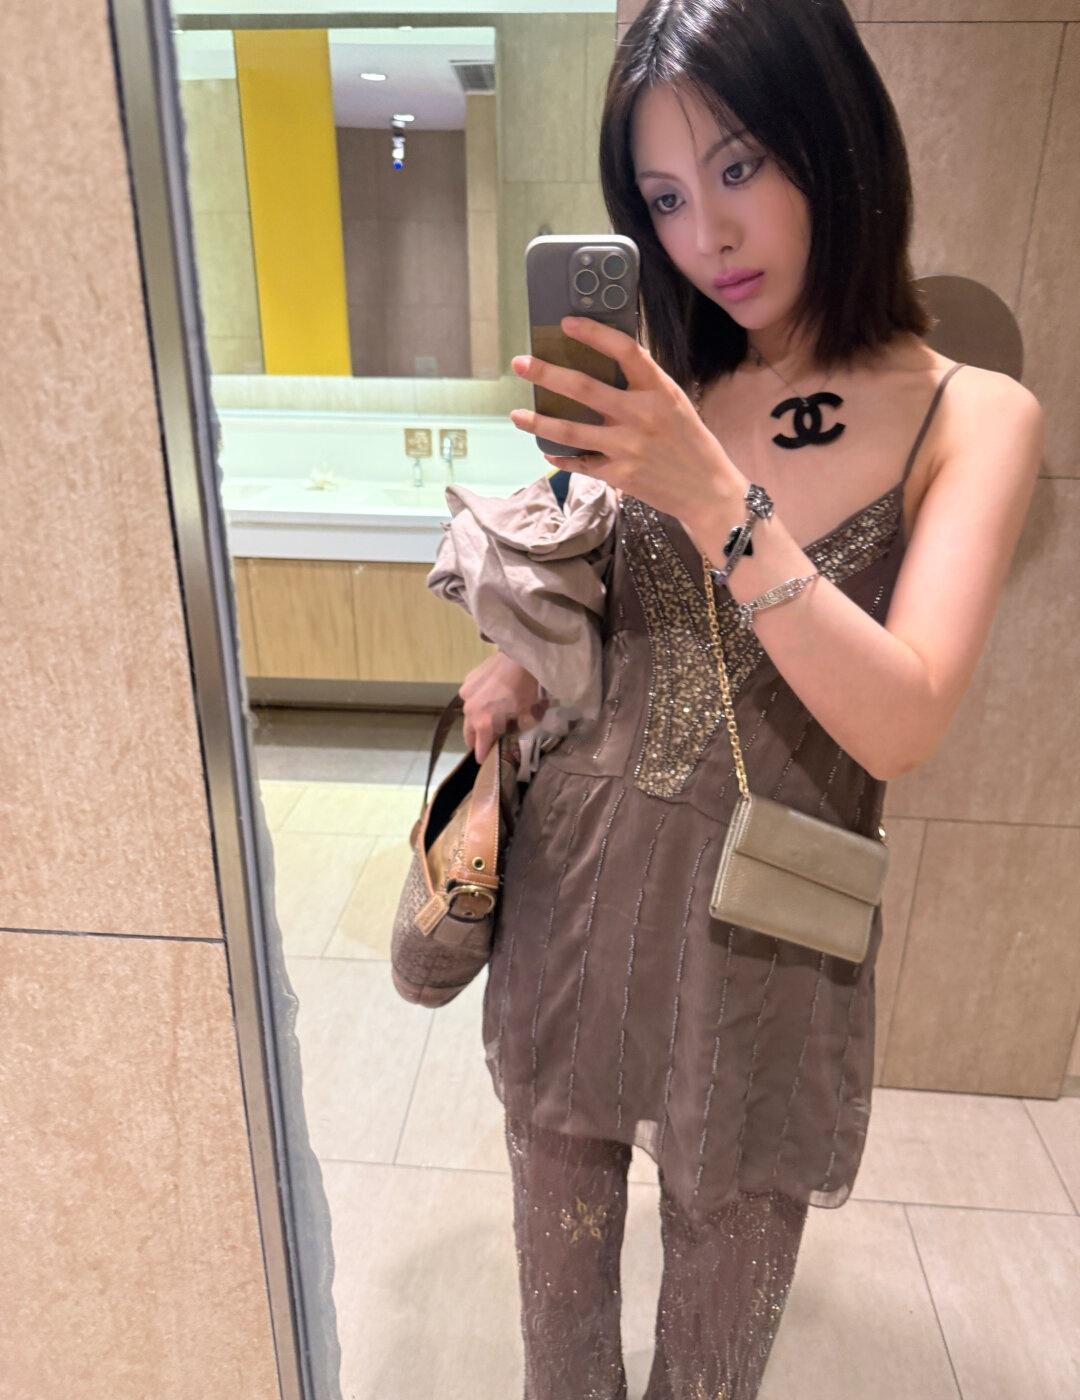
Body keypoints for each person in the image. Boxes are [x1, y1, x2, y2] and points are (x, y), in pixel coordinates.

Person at [445, 2, 1044, 1395]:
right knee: (560, 1346)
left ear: (835, 142)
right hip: (575, 904)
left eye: (738, 167)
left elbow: (903, 719)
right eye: (662, 197)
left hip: (765, 950)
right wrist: (528, 654)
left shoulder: (971, 414)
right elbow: (620, 606)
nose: (706, 235)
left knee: (714, 1355)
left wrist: (715, 494)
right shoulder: (664, 382)